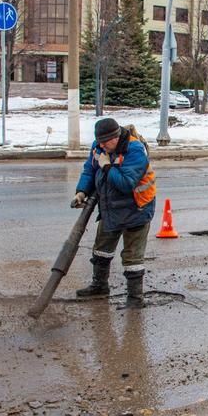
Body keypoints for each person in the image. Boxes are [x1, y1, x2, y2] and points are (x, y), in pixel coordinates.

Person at [72, 118, 156, 308]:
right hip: (111, 208)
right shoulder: (99, 147)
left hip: (137, 209)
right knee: (101, 249)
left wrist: (107, 166)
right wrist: (81, 191)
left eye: (105, 142)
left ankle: (135, 299)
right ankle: (99, 286)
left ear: (117, 136)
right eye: (99, 142)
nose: (102, 146)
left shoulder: (135, 150)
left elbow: (126, 184)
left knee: (132, 257)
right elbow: (89, 170)